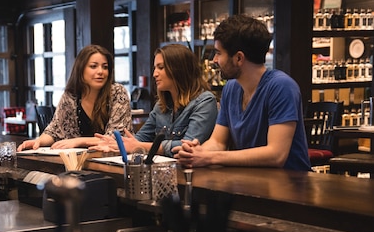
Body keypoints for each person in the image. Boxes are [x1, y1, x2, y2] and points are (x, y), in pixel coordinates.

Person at [173, 14, 311, 171]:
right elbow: (218, 142)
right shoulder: (231, 88)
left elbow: (276, 155)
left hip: (289, 186)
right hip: (249, 183)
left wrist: (208, 157)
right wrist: (195, 153)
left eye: (218, 53)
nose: (214, 60)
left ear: (239, 58)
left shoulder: (281, 87)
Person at [92, 44, 217, 157]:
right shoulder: (161, 105)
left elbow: (187, 147)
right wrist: (116, 143)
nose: (154, 74)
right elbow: (140, 139)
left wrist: (140, 146)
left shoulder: (205, 101)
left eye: (161, 67)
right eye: (155, 68)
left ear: (179, 69)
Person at [17, 44, 132, 151]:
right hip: (80, 164)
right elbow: (55, 130)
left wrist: (77, 142)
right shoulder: (71, 97)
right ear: (80, 69)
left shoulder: (117, 93)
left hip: (114, 160)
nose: (101, 71)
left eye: (105, 67)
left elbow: (116, 138)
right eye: (93, 66)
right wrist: (38, 142)